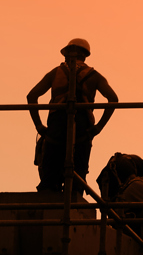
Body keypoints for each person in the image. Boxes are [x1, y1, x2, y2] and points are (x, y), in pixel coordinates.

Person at [27, 38, 118, 193]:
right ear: (85, 55)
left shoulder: (56, 73)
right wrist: (98, 127)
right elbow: (113, 99)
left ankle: (50, 197)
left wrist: (39, 125)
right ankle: (74, 203)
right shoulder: (94, 76)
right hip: (82, 129)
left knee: (50, 172)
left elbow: (32, 96)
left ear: (66, 53)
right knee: (78, 173)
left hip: (56, 127)